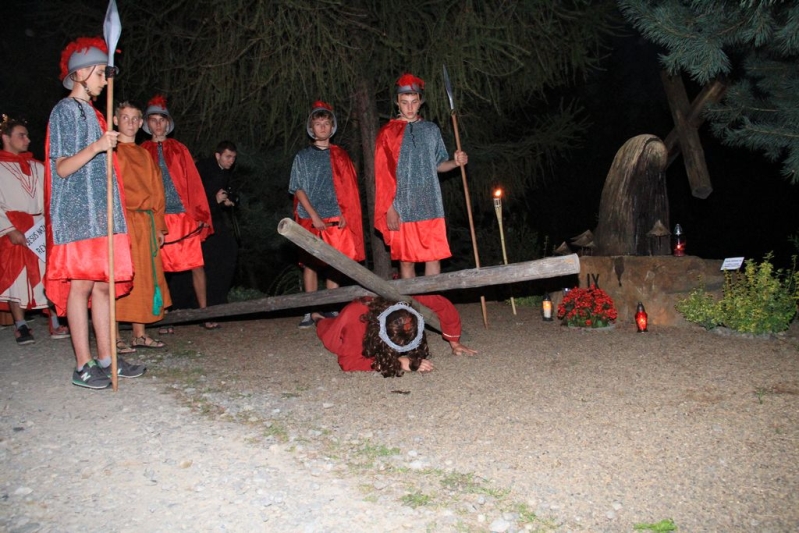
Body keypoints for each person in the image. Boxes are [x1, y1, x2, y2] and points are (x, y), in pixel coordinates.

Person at [45, 37, 146, 389]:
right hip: (76, 212)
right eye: (101, 73)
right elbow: (61, 167)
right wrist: (98, 145)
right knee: (81, 285)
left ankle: (107, 358)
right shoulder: (64, 111)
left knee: (104, 285)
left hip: (101, 213)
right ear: (80, 73)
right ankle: (83, 364)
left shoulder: (95, 114)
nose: (105, 80)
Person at [374, 73, 468, 279]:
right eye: (404, 102)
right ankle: (411, 301)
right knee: (406, 261)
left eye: (414, 102)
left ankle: (431, 299)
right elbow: (382, 176)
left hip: (430, 203)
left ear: (420, 102)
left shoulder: (431, 130)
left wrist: (455, 162)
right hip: (402, 206)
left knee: (433, 257)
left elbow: (439, 165)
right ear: (397, 102)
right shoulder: (387, 133)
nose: (409, 107)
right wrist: (389, 208)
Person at [141, 95, 217, 330]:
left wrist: (201, 215)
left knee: (197, 266)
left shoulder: (179, 149)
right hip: (158, 219)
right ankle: (164, 317)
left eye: (161, 119)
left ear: (168, 123)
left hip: (183, 217)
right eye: (153, 120)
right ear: (147, 123)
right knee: (160, 270)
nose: (158, 124)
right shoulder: (142, 151)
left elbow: (193, 183)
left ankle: (204, 314)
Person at [289, 101, 365, 328]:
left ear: (332, 127)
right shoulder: (303, 156)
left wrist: (345, 212)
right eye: (318, 123)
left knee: (334, 264)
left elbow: (348, 188)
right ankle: (311, 310)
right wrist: (314, 216)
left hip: (335, 216)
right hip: (309, 217)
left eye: (326, 123)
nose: (322, 127)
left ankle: (331, 306)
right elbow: (297, 188)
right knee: (310, 264)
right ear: (311, 128)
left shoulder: (341, 155)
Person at [0, 115, 70, 345]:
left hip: (39, 228)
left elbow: (51, 196)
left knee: (48, 274)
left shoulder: (38, 166)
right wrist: (8, 229)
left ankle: (55, 320)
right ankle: (21, 326)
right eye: (21, 135)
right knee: (16, 277)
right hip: (14, 228)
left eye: (27, 135)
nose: (28, 140)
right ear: (6, 137)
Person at [113, 101, 171, 350]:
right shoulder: (110, 152)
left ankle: (139, 333)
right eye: (125, 118)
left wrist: (158, 226)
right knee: (119, 277)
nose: (131, 122)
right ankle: (113, 336)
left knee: (144, 277)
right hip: (122, 221)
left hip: (145, 223)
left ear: (141, 123)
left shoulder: (145, 155)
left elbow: (157, 193)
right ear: (116, 121)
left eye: (135, 118)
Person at [312, 294, 476, 377]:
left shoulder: (404, 300)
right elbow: (349, 362)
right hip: (339, 329)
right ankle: (316, 316)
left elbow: (442, 304)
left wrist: (454, 342)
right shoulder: (358, 318)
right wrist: (397, 362)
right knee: (325, 326)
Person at [196, 141, 239, 307]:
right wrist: (215, 200)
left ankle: (217, 300)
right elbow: (195, 198)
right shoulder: (205, 169)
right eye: (228, 157)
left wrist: (227, 201)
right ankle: (207, 302)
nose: (231, 161)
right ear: (217, 155)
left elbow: (225, 192)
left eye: (233, 158)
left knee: (228, 252)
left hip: (215, 219)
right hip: (200, 223)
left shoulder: (224, 171)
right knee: (207, 261)